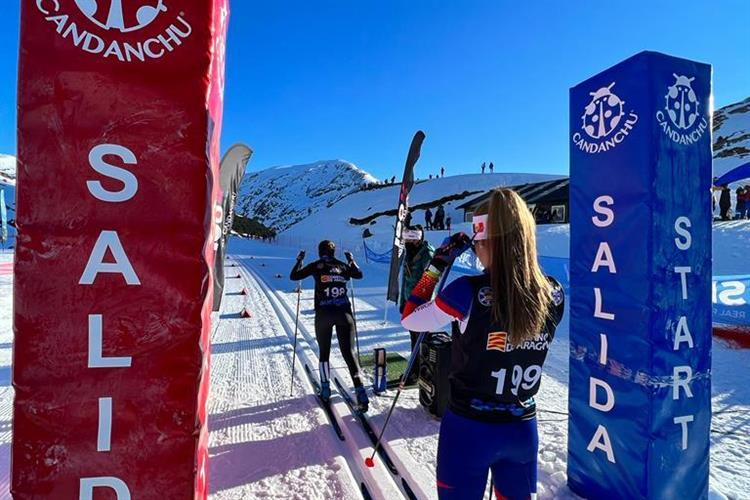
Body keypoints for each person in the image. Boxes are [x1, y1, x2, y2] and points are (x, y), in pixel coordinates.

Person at [401, 188, 565, 500]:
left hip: (469, 430)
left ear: (490, 241)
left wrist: (436, 265)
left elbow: (410, 317)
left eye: (478, 242)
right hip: (522, 429)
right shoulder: (554, 292)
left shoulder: (466, 292)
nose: (475, 250)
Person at [290, 240, 369, 411]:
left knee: (324, 353)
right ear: (334, 252)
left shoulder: (316, 265)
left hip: (324, 314)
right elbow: (359, 274)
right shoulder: (342, 265)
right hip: (344, 314)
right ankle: (360, 391)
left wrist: (299, 260)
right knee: (349, 352)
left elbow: (294, 276)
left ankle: (325, 390)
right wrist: (351, 260)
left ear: (320, 252)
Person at [398, 226, 435, 385]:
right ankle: (416, 371)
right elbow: (405, 278)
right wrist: (403, 302)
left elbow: (431, 278)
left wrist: (424, 304)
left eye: (412, 238)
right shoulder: (409, 252)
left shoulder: (426, 252)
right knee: (414, 339)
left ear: (419, 238)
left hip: (422, 303)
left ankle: (418, 373)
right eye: (407, 238)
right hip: (410, 301)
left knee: (422, 340)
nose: (409, 241)